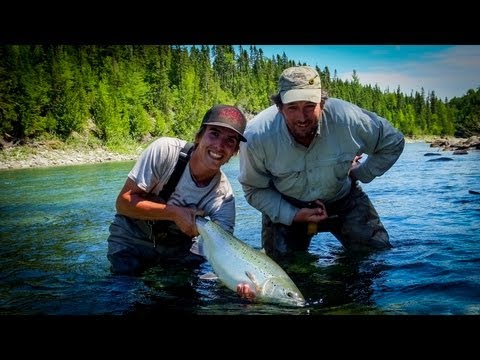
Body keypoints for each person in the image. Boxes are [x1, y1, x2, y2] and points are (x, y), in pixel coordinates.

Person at [238, 65, 405, 261]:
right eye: (292, 108)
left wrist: (361, 173)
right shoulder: (256, 136)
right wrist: (293, 215)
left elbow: (393, 142)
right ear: (280, 108)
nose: (302, 118)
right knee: (282, 275)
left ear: (323, 103)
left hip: (344, 200)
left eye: (309, 106)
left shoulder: (349, 119)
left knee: (377, 256)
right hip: (286, 205)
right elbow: (253, 189)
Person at [107, 104, 247, 275]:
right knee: (120, 291)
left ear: (234, 152)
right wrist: (174, 213)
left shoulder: (223, 198)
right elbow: (123, 204)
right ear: (198, 137)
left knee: (181, 300)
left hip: (177, 250)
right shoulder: (164, 151)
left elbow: (224, 251)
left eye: (230, 141)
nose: (219, 145)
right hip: (130, 238)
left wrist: (244, 282)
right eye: (214, 134)